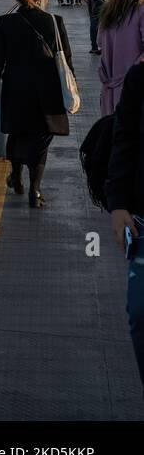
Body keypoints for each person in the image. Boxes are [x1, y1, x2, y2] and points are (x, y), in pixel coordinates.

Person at [0, 0, 75, 209]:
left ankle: (15, 176)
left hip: (16, 87)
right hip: (48, 89)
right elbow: (66, 59)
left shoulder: (4, 23)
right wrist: (71, 86)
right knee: (42, 137)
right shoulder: (55, 21)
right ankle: (35, 191)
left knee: (17, 132)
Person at [100, 63, 144, 393]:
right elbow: (124, 139)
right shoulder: (140, 78)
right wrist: (117, 204)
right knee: (140, 314)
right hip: (142, 219)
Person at [97, 0, 144, 115]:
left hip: (109, 87)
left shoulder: (109, 11)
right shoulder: (141, 11)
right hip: (134, 89)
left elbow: (100, 44)